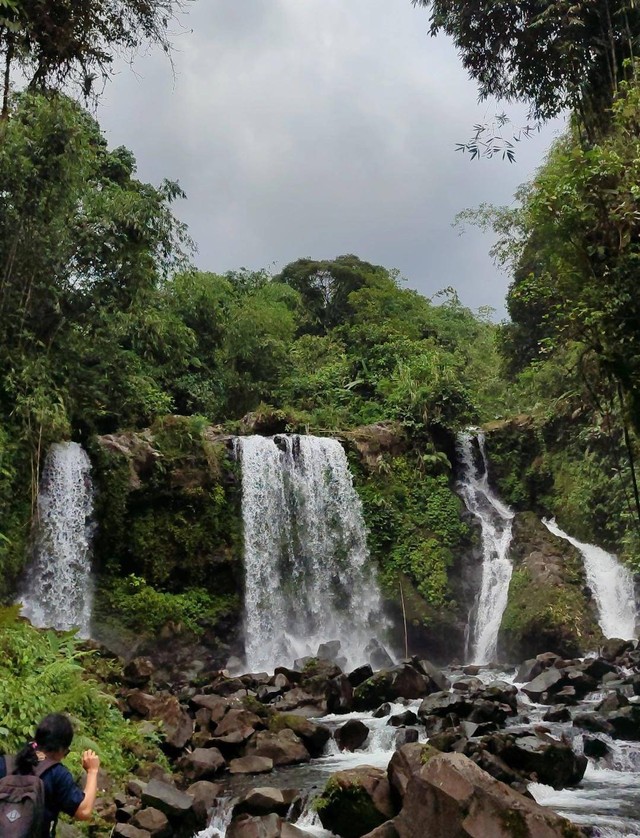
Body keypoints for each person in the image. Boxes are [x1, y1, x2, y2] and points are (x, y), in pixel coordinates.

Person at [0, 713, 100, 836]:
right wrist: (92, 771)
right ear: (60, 749)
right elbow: (84, 811)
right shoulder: (56, 774)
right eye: (66, 752)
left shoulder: (5, 763)